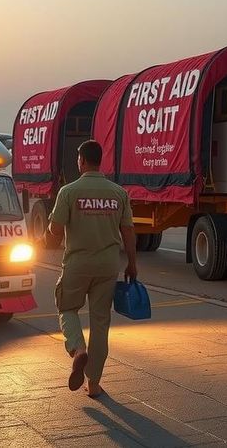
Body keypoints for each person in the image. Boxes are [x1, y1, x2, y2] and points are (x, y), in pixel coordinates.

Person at [46, 139, 138, 398]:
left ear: (82, 161)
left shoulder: (69, 192)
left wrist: (48, 234)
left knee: (66, 307)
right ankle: (94, 383)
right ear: (101, 162)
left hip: (77, 264)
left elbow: (54, 230)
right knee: (100, 323)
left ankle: (77, 349)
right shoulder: (118, 193)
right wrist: (132, 263)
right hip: (108, 266)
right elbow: (129, 232)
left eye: (78, 159)